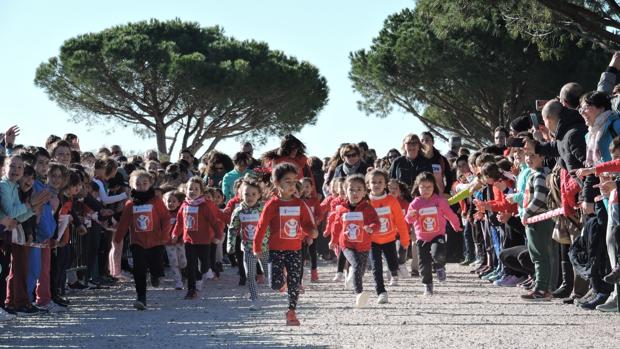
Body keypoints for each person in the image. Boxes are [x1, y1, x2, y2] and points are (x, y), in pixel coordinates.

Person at [252, 163, 318, 326]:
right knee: (275, 284)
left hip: (295, 250)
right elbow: (261, 226)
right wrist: (257, 247)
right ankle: (283, 283)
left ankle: (291, 312)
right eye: (287, 181)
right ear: (277, 183)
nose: (292, 184)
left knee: (295, 282)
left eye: (294, 180)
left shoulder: (299, 203)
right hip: (276, 250)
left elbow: (307, 224)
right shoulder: (272, 204)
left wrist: (312, 231)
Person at [113, 171, 170, 310]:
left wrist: (164, 236)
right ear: (132, 185)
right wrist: (118, 238)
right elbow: (124, 222)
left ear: (150, 184)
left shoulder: (156, 201)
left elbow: (165, 218)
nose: (141, 186)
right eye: (137, 184)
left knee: (156, 266)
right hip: (137, 242)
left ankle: (156, 275)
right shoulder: (130, 204)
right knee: (139, 270)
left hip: (156, 241)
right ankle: (141, 297)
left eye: (144, 183)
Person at [406, 172, 462, 296]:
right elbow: (408, 219)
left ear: (434, 187)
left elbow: (449, 213)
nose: (425, 190)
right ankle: (427, 285)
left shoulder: (439, 201)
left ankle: (440, 266)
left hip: (438, 235)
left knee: (438, 254)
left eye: (429, 187)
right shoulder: (415, 203)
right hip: (422, 238)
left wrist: (455, 224)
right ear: (417, 187)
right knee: (424, 264)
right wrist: (411, 216)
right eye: (422, 187)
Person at [330, 174, 380, 308]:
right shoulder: (341, 209)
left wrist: (371, 228)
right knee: (357, 264)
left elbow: (377, 223)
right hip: (347, 245)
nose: (355, 193)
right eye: (351, 189)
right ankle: (359, 293)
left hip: (363, 245)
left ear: (365, 191)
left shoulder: (368, 209)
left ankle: (352, 278)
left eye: (359, 189)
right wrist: (333, 240)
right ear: (345, 191)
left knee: (360, 270)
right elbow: (336, 226)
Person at [171, 177, 224, 300]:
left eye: (196, 189)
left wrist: (218, 236)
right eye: (190, 189)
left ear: (201, 191)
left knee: (205, 265)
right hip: (189, 240)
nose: (193, 191)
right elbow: (179, 222)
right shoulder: (184, 205)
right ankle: (191, 290)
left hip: (204, 240)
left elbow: (214, 222)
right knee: (191, 265)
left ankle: (201, 275)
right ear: (185, 190)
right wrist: (175, 234)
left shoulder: (204, 206)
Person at [366, 169, 410, 304]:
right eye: (373, 182)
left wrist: (405, 239)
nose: (377, 185)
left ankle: (395, 271)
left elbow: (400, 221)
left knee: (392, 263)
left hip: (389, 239)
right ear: (368, 184)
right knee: (376, 267)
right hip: (372, 241)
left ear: (385, 184)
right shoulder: (365, 202)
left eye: (380, 182)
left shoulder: (391, 200)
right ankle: (381, 292)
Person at [227, 177, 269, 310]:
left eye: (253, 194)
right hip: (248, 249)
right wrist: (230, 245)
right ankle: (255, 299)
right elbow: (233, 229)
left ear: (259, 195)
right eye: (246, 194)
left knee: (270, 274)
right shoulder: (238, 211)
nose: (249, 197)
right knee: (250, 276)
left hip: (265, 248)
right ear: (240, 194)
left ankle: (283, 290)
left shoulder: (264, 209)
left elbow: (274, 224)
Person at [520, 150, 554, 301]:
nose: (528, 159)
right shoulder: (536, 173)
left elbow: (540, 197)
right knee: (540, 256)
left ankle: (542, 289)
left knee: (539, 256)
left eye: (533, 155)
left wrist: (527, 212)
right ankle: (542, 286)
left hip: (537, 219)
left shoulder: (539, 175)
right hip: (537, 219)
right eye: (527, 155)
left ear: (542, 156)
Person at [163, 191, 186, 290]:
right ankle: (178, 282)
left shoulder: (180, 214)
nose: (171, 203)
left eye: (174, 201)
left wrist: (179, 237)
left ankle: (184, 274)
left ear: (179, 203)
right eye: (169, 201)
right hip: (169, 243)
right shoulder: (163, 215)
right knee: (173, 263)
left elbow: (184, 227)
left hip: (180, 242)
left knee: (183, 262)